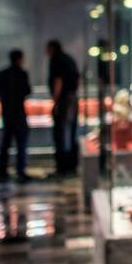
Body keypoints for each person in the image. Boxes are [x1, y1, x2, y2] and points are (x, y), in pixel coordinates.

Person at [0, 48, 31, 183]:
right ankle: (20, 171)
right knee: (21, 144)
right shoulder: (22, 74)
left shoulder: (2, 74)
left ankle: (2, 171)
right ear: (19, 59)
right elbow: (27, 91)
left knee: (5, 144)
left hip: (7, 113)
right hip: (19, 113)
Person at [45, 39, 80, 177]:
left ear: (52, 48)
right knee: (70, 132)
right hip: (72, 97)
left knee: (61, 133)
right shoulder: (69, 59)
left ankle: (63, 166)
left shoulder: (56, 59)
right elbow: (78, 80)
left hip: (64, 99)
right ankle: (71, 165)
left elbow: (58, 81)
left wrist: (56, 101)